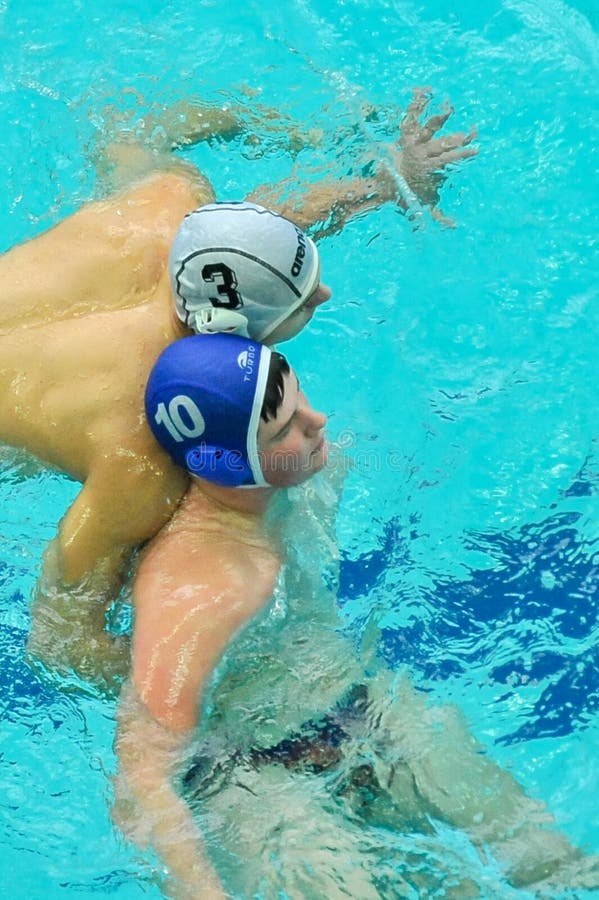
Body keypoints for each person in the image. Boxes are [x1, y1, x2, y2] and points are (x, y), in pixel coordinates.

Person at [0, 89, 477, 687]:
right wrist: (220, 684)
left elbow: (130, 124)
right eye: (304, 304)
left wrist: (385, 182)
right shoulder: (139, 455)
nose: (323, 294)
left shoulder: (165, 205)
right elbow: (58, 638)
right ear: (236, 335)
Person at [114, 332, 599, 900]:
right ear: (226, 464)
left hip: (361, 707)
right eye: (284, 429)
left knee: (544, 857)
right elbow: (141, 779)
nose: (316, 422)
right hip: (254, 782)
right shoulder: (199, 592)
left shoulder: (311, 472)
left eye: (300, 398)